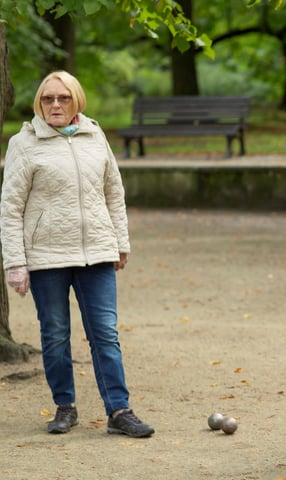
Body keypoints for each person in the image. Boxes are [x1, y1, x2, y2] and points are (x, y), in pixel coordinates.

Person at [1, 71, 154, 437]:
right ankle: (64, 406)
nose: (55, 105)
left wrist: (120, 242)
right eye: (48, 99)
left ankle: (119, 411)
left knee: (105, 333)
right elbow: (10, 207)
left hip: (96, 253)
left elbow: (113, 192)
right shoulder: (24, 143)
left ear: (76, 101)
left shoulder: (94, 135)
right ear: (39, 103)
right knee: (54, 334)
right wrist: (16, 263)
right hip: (47, 256)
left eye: (63, 98)